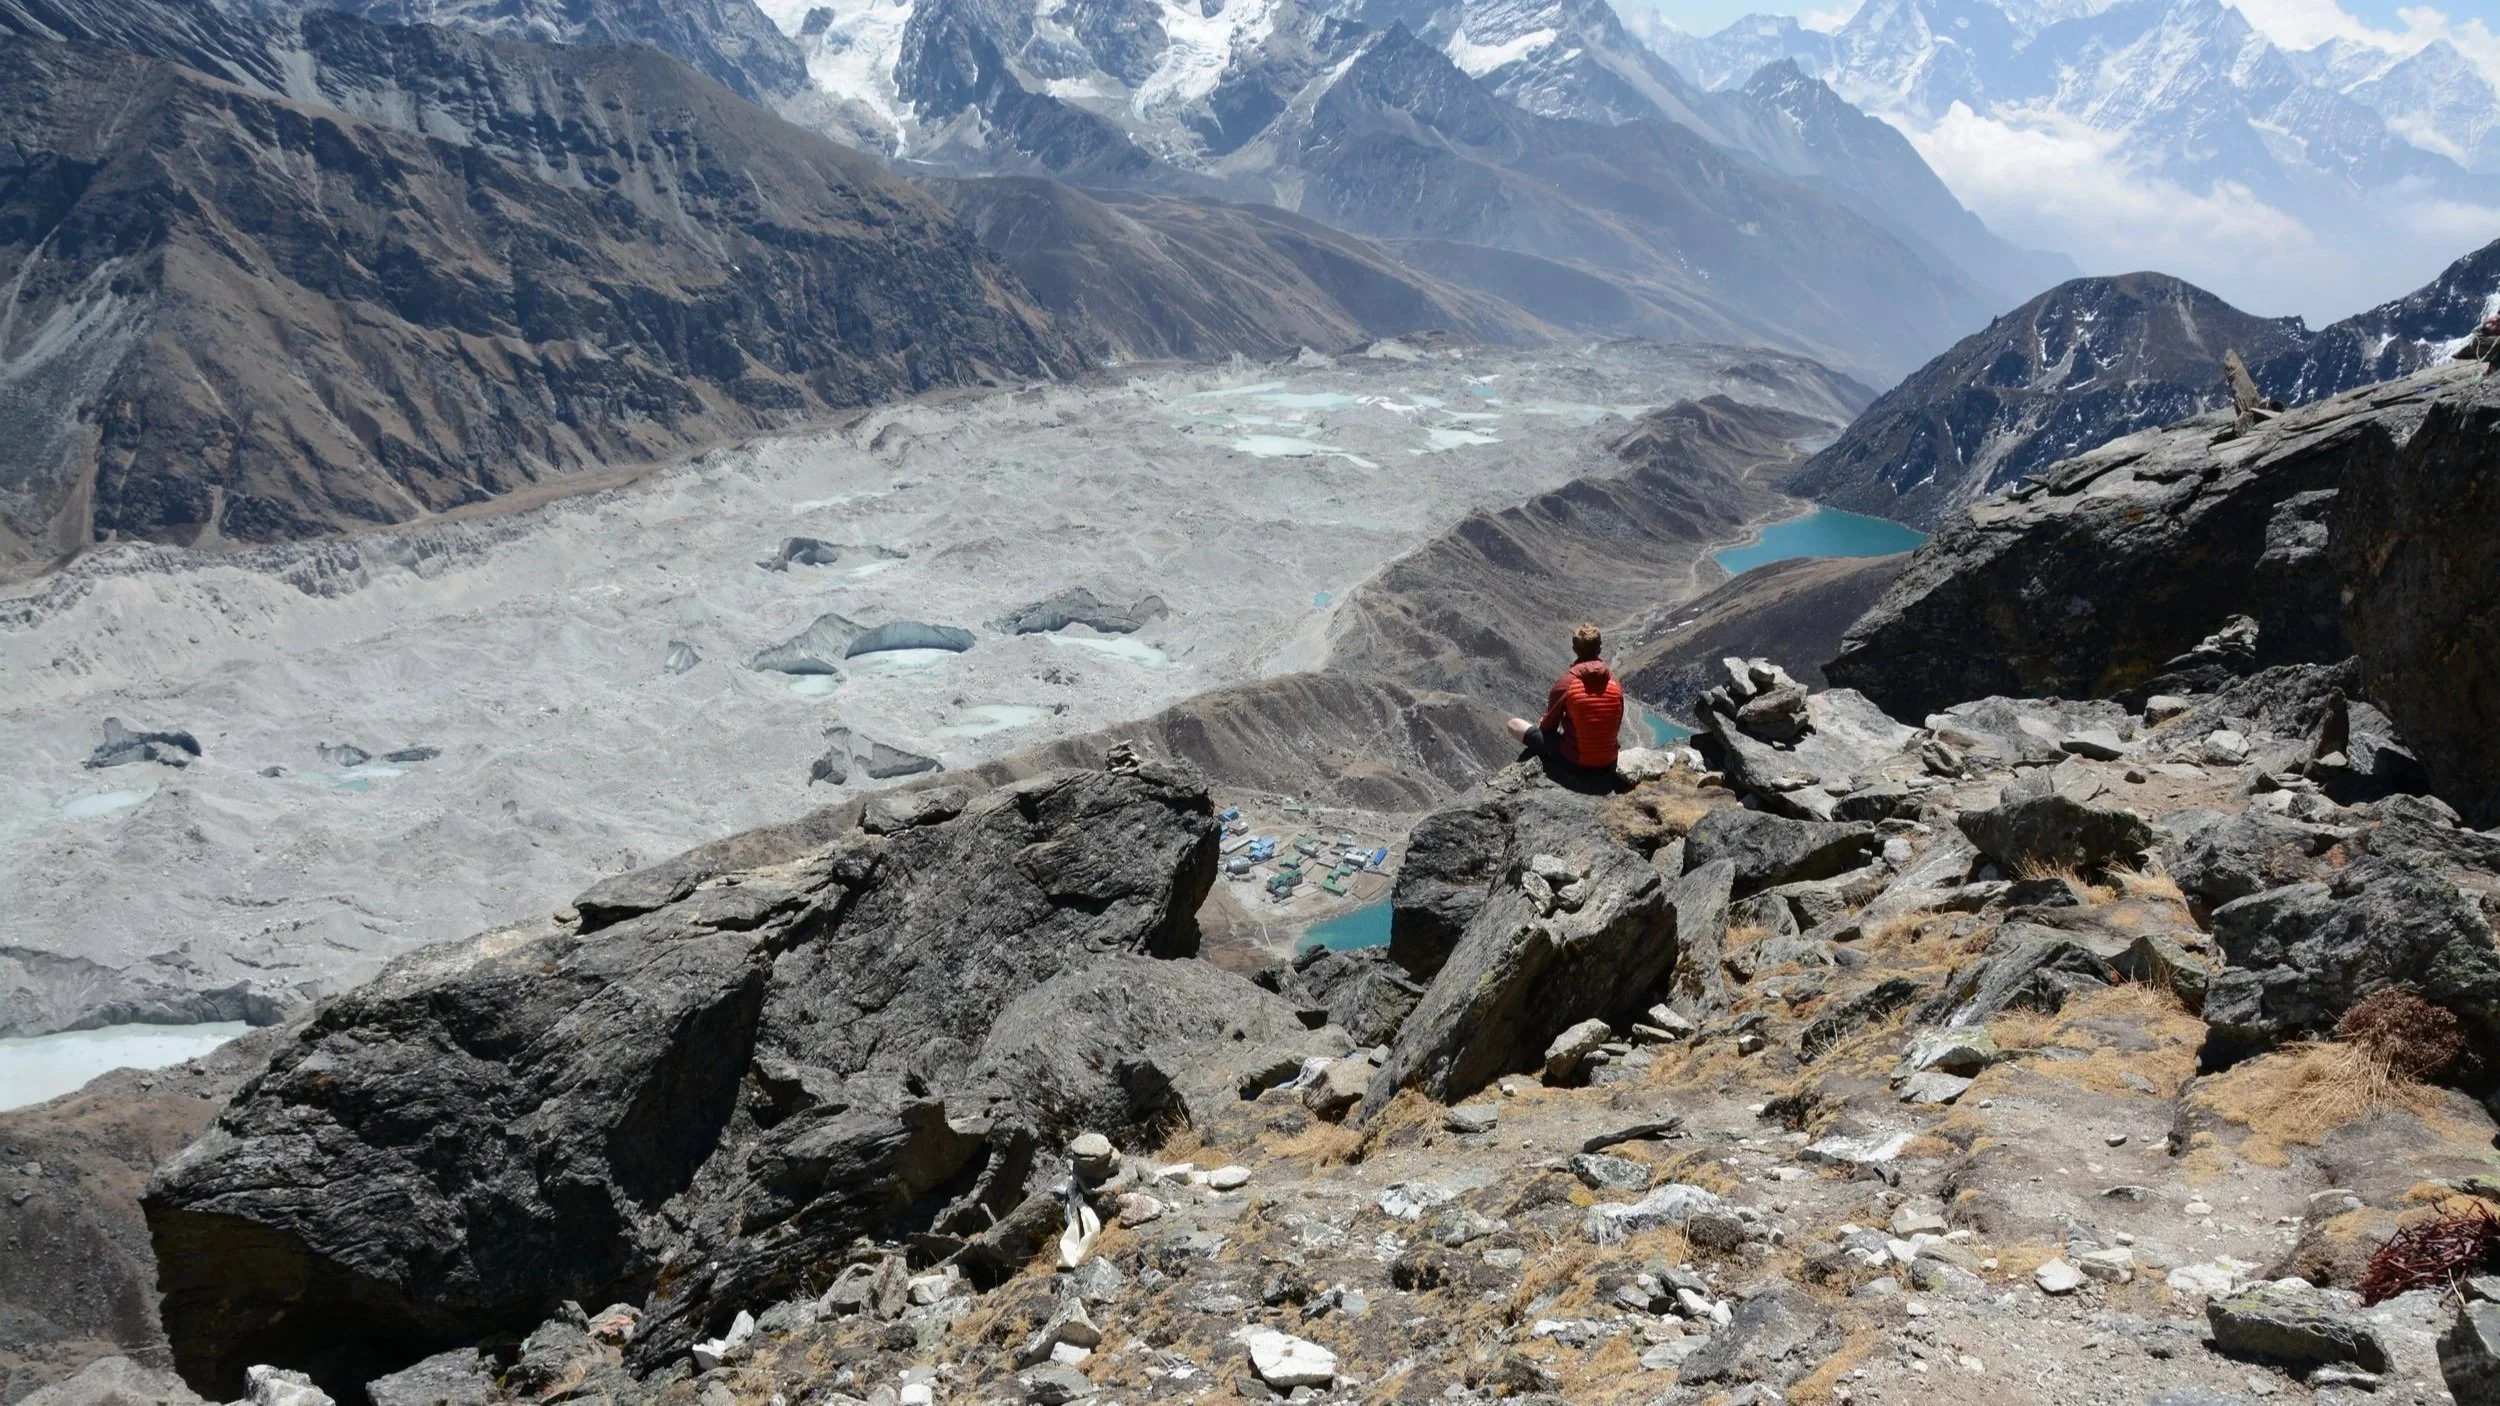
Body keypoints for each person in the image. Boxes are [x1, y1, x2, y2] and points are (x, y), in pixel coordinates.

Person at [1507, 623, 1625, 773]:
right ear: (1600, 648)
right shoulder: (1615, 683)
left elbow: (1548, 727)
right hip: (1609, 760)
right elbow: (1616, 724)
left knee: (1514, 724)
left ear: (1575, 649)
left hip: (1575, 762)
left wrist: (1544, 722)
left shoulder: (1567, 682)